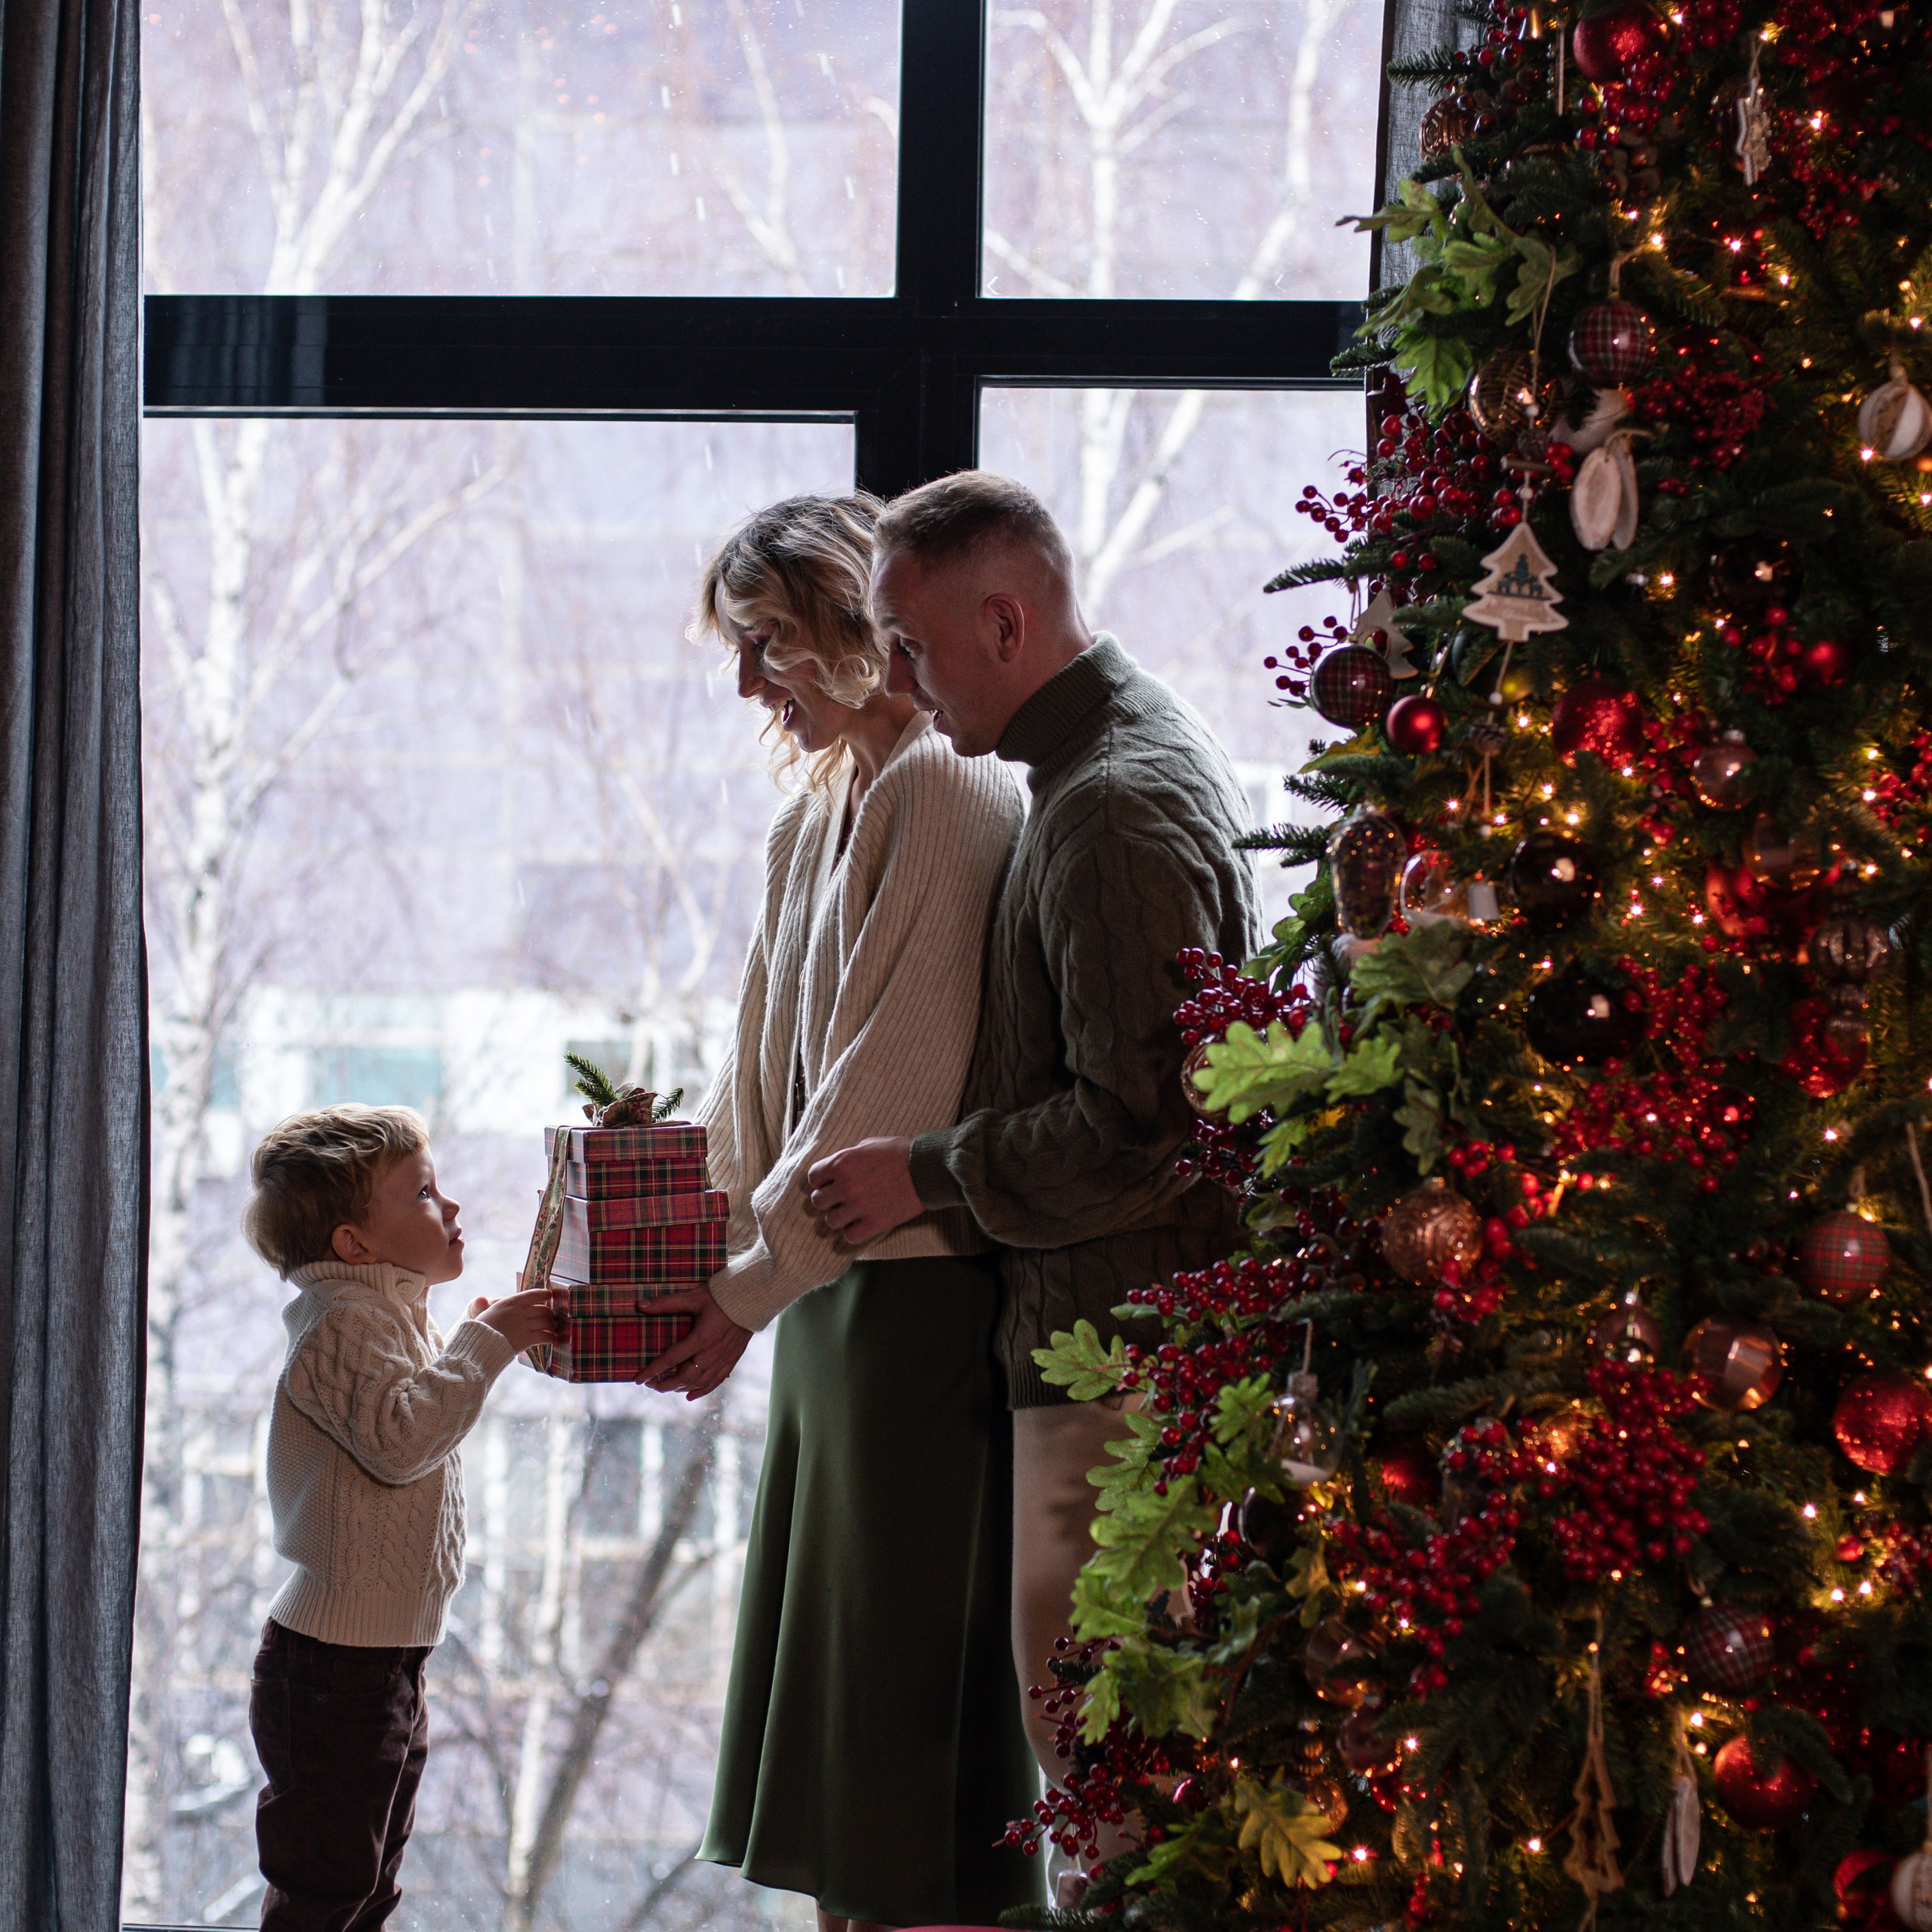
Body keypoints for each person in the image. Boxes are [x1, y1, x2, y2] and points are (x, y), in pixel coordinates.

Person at [804, 471, 1259, 1901]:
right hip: (1122, 1353)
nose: (897, 681)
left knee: (1112, 1797)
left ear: (1005, 622)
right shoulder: (1102, 768)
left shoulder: (1109, 808)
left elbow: (1150, 1128)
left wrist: (923, 1176)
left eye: (912, 643)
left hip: (1120, 1367)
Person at [641, 493, 1041, 1932]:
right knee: (841, 1770)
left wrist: (744, 1291)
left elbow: (885, 1089)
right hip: (827, 1305)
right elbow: (761, 1079)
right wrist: (690, 1256)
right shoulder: (809, 819)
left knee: (906, 1764)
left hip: (917, 1302)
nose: (751, 684)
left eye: (767, 644)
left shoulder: (951, 788)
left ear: (844, 626)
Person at [242, 1103, 565, 1932]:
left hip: (381, 1656)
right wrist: (483, 1344)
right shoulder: (341, 1322)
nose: (451, 1208)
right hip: (332, 1669)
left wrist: (471, 1341)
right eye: (424, 1193)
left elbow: (412, 1415)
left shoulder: (382, 1315)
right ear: (355, 1244)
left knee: (369, 1877)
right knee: (330, 1881)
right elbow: (402, 1438)